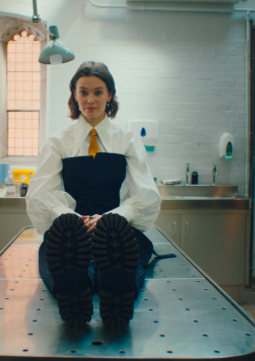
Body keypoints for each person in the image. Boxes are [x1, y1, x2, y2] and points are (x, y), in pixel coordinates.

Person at [26, 61, 162, 329]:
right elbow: (41, 194)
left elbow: (145, 195)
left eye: (98, 92)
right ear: (74, 94)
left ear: (110, 95)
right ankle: (79, 286)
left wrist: (113, 219)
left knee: (119, 263)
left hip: (117, 233)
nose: (90, 100)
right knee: (67, 264)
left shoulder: (128, 140)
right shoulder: (58, 141)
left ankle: (109, 287)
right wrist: (72, 221)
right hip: (70, 235)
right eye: (83, 92)